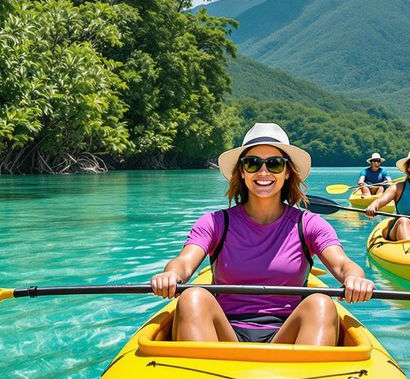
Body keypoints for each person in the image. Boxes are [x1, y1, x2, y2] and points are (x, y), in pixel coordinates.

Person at [152, 123, 374, 345]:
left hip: (287, 335)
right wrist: (172, 274)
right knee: (192, 297)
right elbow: (184, 263)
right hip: (224, 334)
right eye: (253, 163)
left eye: (275, 164)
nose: (263, 172)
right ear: (242, 171)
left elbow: (343, 265)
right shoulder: (215, 222)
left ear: (287, 172)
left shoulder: (309, 224)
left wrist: (354, 278)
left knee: (321, 303)